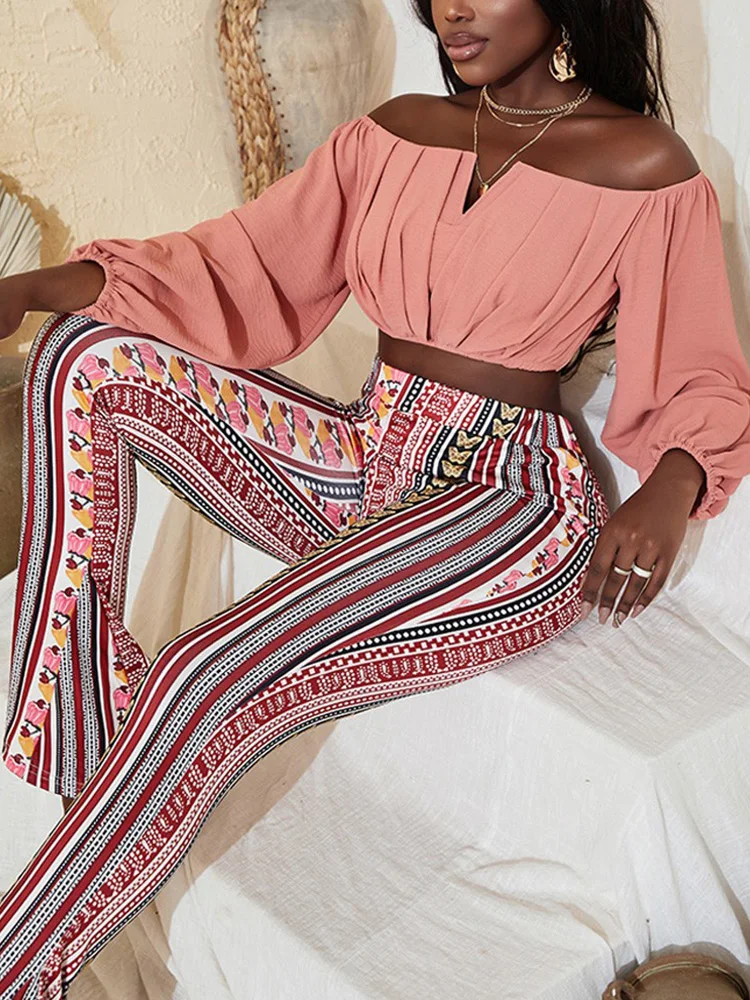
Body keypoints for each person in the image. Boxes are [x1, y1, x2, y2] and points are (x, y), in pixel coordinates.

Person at [1, 0, 750, 994]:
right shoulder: (396, 133)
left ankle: (21, 963)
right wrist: (34, 289)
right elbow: (240, 264)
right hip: (363, 457)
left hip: (506, 503)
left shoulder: (645, 165)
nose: (453, 9)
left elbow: (701, 371)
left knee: (202, 671)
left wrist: (671, 484)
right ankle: (88, 733)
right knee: (80, 357)